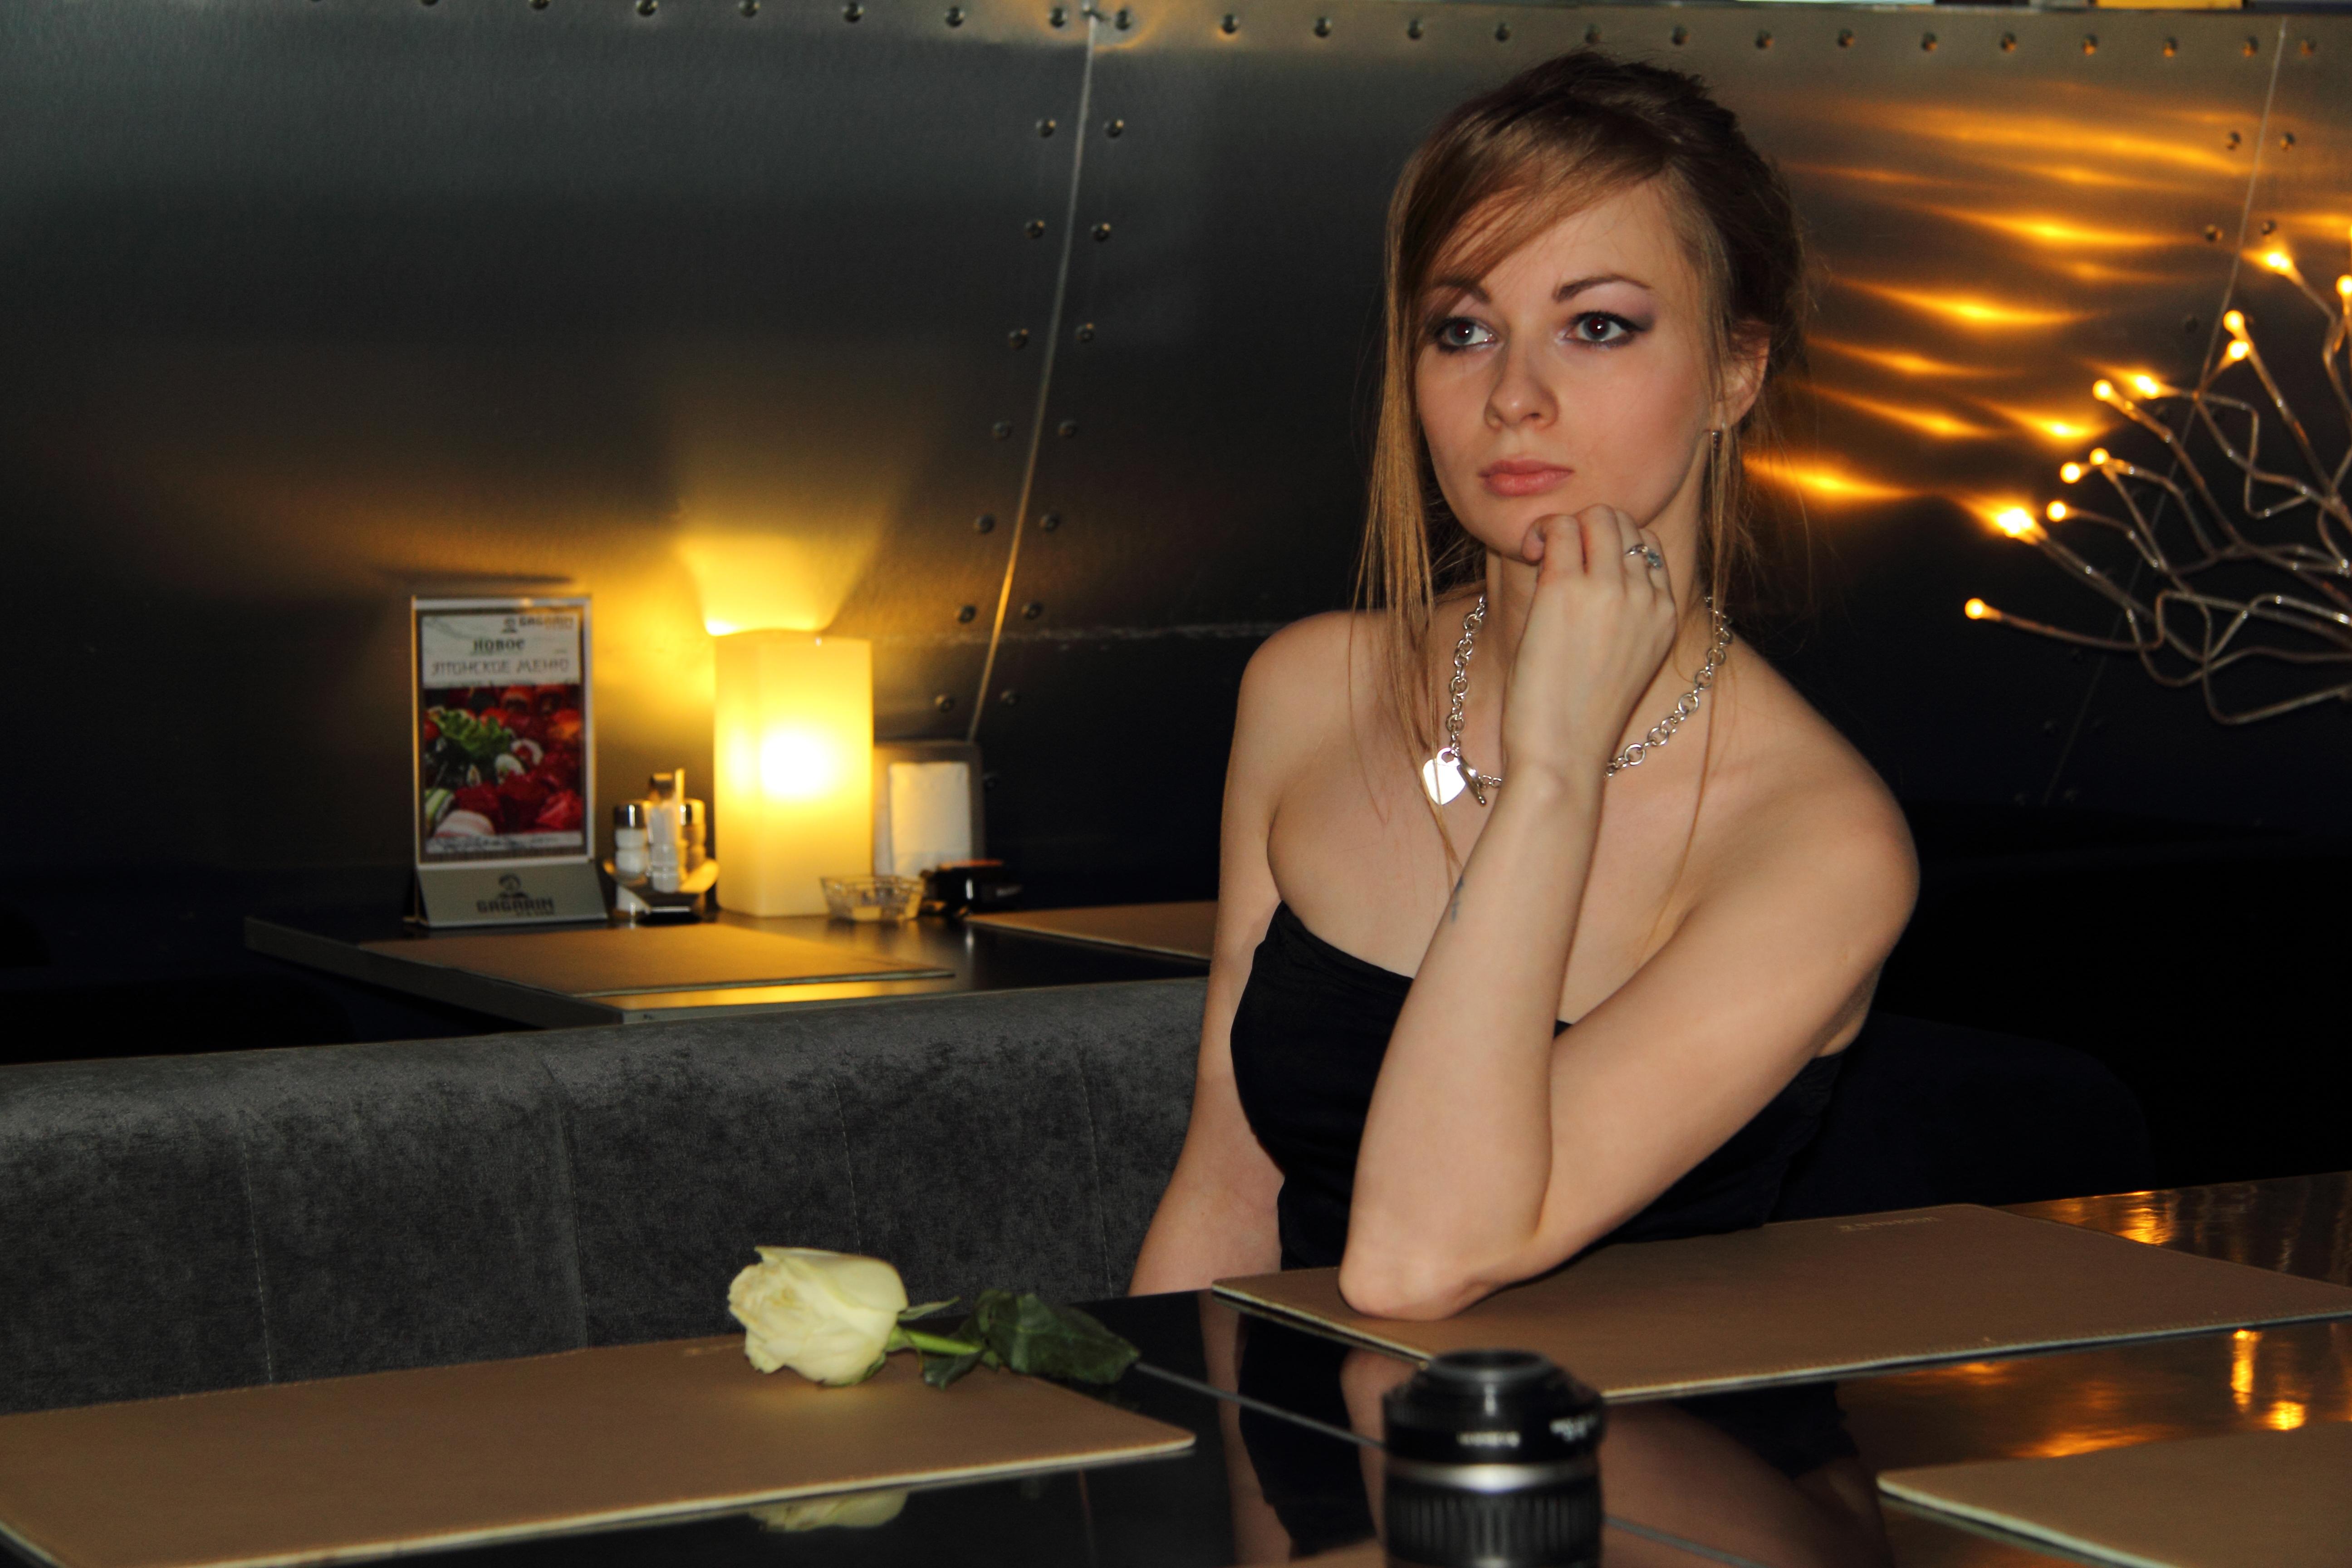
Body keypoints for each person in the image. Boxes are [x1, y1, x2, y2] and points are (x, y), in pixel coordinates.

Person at [1130, 50, 1918, 1321]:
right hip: (1313, 1436)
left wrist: (1555, 771)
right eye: (1465, 329)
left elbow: (1419, 1257)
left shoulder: (1820, 842)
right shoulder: (1310, 692)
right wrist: (1147, 1434)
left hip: (1647, 1446)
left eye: (1597, 326)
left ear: (1735, 371)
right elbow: (1227, 1187)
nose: (1513, 397)